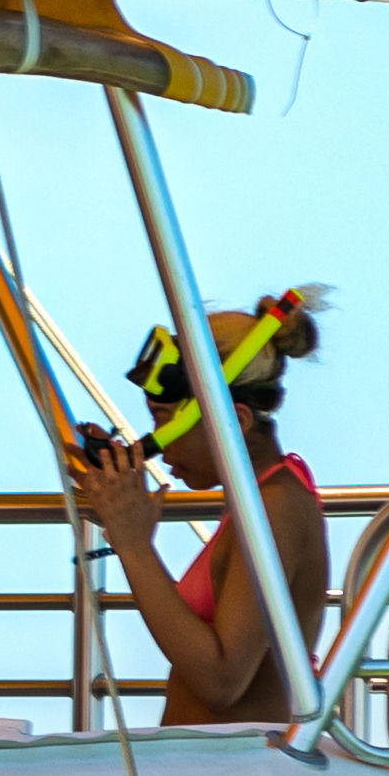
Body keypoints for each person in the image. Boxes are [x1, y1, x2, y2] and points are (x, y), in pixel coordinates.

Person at [73, 292, 332, 724]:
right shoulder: (261, 499)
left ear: (236, 421)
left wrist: (134, 545)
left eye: (162, 421)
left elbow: (222, 681)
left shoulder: (276, 505)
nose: (154, 442)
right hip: (217, 775)